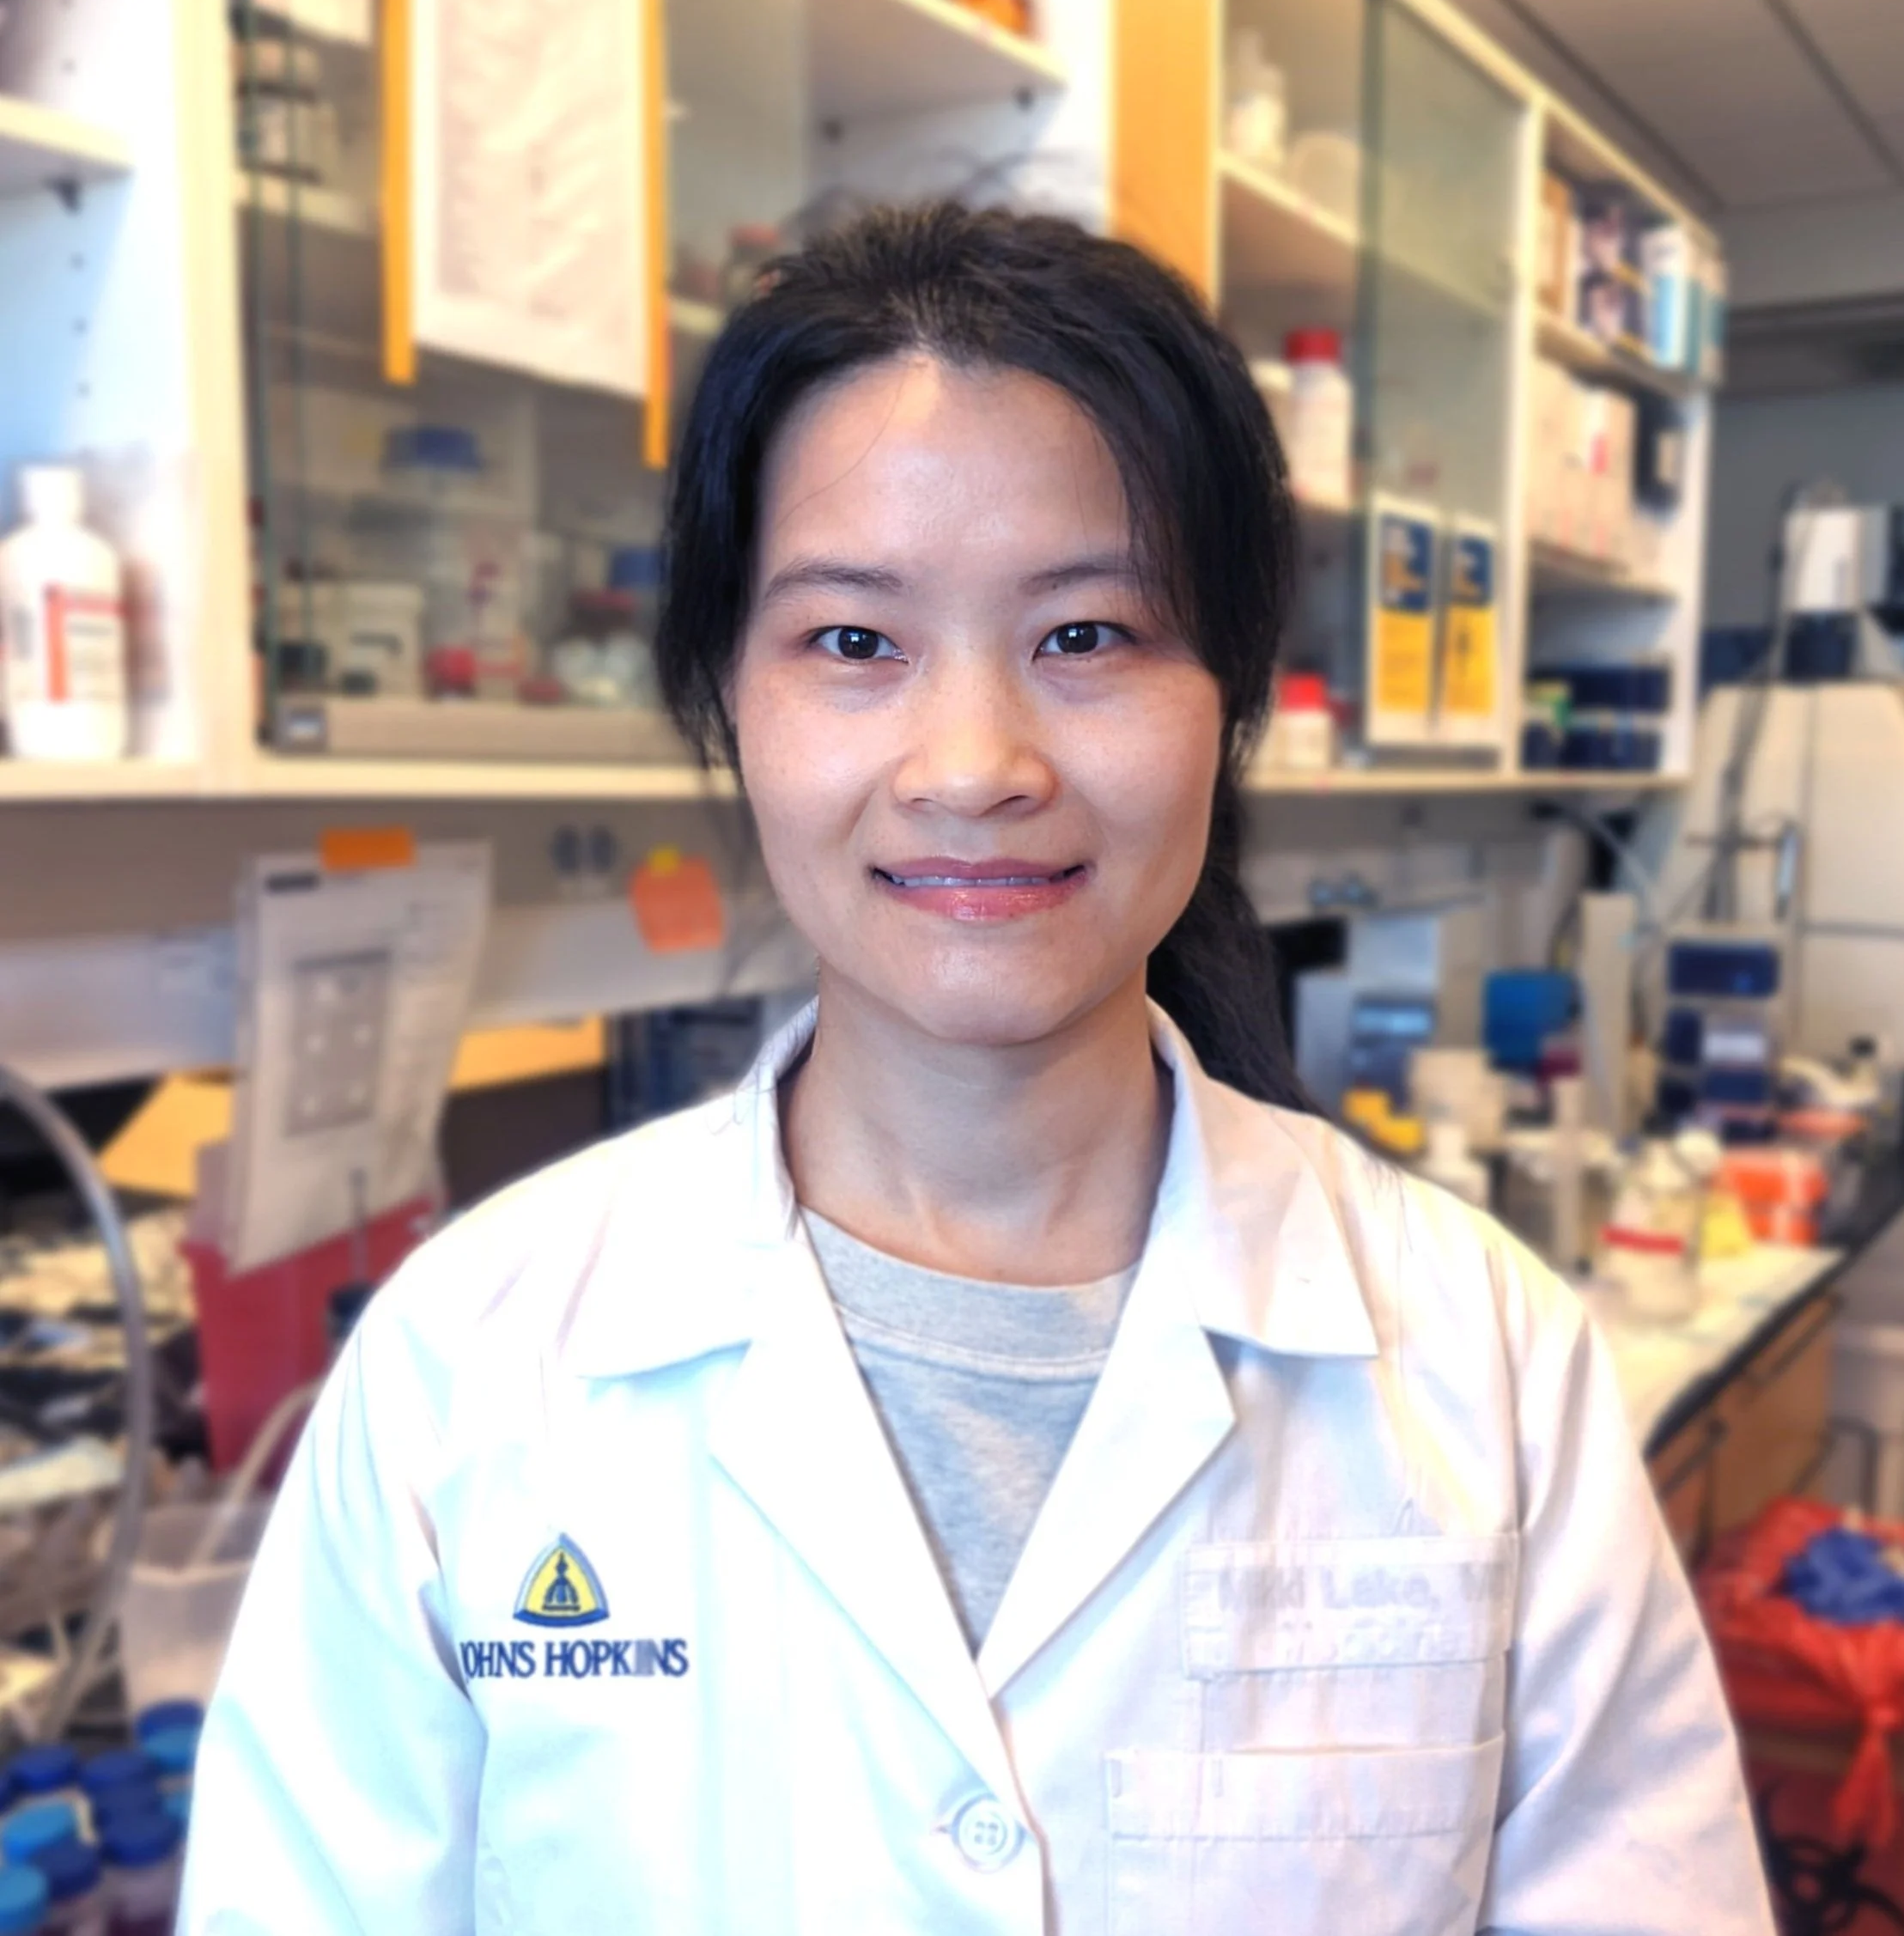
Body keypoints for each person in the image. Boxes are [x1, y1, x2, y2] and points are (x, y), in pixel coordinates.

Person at [182, 203, 1773, 1934]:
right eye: (854, 641)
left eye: (1084, 635)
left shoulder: (1486, 1364)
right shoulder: (462, 1373)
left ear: (1228, 696)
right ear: (730, 696)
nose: (972, 763)